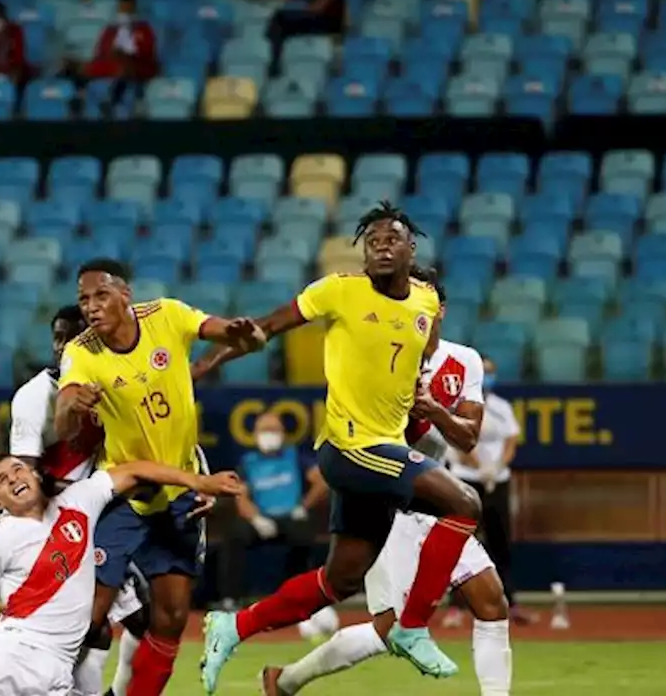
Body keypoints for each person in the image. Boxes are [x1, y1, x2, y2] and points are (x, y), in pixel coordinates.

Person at [197, 202, 484, 692]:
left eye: (391, 238)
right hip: (350, 447)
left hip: (385, 448)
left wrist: (421, 400)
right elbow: (268, 326)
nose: (381, 246)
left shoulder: (425, 301)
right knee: (465, 503)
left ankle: (234, 626)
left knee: (339, 581)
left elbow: (416, 359)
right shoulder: (338, 290)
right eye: (371, 241)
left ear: (410, 248)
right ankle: (412, 627)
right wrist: (212, 361)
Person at [261, 290, 515, 696]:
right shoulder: (378, 352)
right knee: (386, 631)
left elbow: (467, 439)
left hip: (437, 501)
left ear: (439, 309)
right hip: (387, 500)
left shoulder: (463, 360)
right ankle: (286, 679)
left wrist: (432, 409)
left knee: (492, 603)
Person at [54, 258, 265, 695]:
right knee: (88, 618)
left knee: (170, 617)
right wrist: (72, 406)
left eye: (101, 295)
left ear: (125, 294)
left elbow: (225, 331)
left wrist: (243, 334)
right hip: (123, 495)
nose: (92, 307)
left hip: (180, 493)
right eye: (84, 299)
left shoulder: (167, 315)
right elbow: (63, 424)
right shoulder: (82, 352)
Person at [0, 455, 242, 696]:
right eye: (1, 480)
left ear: (35, 474)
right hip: (15, 652)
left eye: (18, 469)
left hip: (60, 669)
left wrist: (198, 482)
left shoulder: (80, 500)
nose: (13, 478)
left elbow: (135, 470)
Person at [8, 304, 151, 696]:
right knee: (91, 624)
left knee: (140, 620)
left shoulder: (113, 385)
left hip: (100, 520)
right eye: (58, 337)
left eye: (73, 336)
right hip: (60, 526)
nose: (63, 346)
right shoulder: (36, 396)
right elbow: (22, 478)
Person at [444, 354, 530, 627]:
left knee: (500, 540)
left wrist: (496, 468)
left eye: (492, 372)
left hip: (497, 481)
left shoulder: (502, 408)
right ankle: (456, 607)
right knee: (461, 541)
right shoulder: (457, 406)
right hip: (466, 479)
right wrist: (480, 467)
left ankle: (510, 602)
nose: (488, 377)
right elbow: (458, 442)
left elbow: (511, 441)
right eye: (485, 371)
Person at [218, 411, 327, 608]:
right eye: (265, 430)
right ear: (256, 434)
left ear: (283, 434)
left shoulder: (295, 456)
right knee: (235, 535)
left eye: (274, 430)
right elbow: (240, 495)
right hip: (261, 520)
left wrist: (303, 506)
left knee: (302, 535)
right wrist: (255, 518)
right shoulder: (248, 462)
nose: (269, 434)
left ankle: (296, 598)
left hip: (291, 517)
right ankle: (231, 599)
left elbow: (320, 482)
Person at [82, 0, 159, 113]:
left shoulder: (144, 30)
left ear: (134, 10)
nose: (125, 14)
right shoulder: (110, 31)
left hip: (135, 73)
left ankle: (115, 103)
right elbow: (101, 53)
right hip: (111, 72)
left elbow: (148, 55)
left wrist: (127, 57)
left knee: (126, 81)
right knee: (93, 84)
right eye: (122, 10)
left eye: (128, 10)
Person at [266, 0, 345, 71]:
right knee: (278, 21)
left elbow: (320, 6)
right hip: (313, 19)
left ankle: (335, 59)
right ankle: (276, 62)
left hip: (328, 22)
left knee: (280, 19)